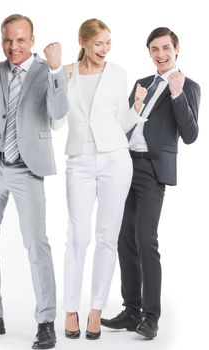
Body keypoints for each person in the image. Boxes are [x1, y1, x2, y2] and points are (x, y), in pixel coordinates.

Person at [0, 13, 68, 350]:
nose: (13, 46)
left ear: (31, 40)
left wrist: (55, 70)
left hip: (28, 168)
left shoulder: (45, 69)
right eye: (7, 40)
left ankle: (46, 321)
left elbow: (59, 112)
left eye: (20, 40)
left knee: (37, 245)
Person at [101, 27, 200, 339]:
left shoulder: (188, 85)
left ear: (176, 48)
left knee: (146, 239)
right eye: (154, 49)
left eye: (165, 48)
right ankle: (131, 310)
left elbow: (191, 134)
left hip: (152, 170)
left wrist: (176, 94)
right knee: (123, 238)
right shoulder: (142, 83)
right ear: (149, 52)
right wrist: (135, 105)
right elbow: (123, 125)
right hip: (124, 164)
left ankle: (151, 315)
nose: (160, 54)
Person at [51, 18, 146, 341]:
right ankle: (70, 310)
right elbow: (55, 123)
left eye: (108, 42)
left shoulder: (118, 74)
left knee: (107, 236)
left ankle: (96, 309)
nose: (104, 49)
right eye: (98, 43)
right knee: (78, 237)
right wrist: (56, 83)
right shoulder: (66, 73)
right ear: (82, 41)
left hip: (115, 158)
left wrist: (136, 108)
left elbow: (121, 121)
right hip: (78, 159)